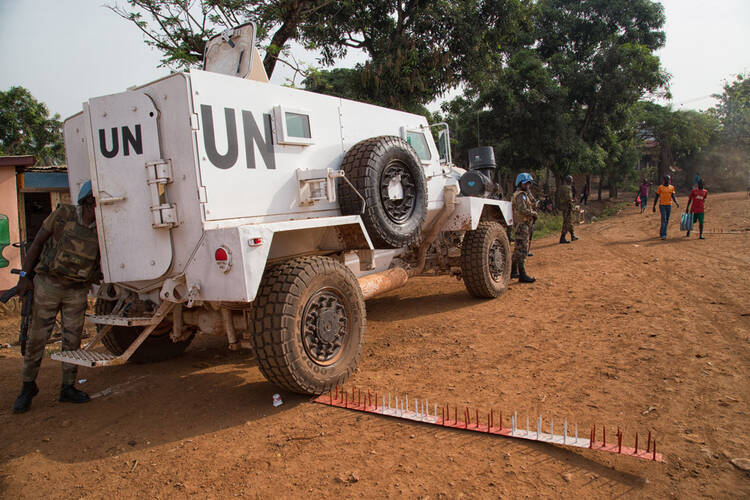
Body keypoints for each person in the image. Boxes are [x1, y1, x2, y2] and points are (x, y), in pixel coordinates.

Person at [13, 181, 100, 414]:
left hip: (76, 290)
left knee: (72, 340)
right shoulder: (63, 214)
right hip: (48, 285)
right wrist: (24, 277)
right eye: (95, 201)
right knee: (36, 339)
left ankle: (68, 387)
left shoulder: (101, 227)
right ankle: (28, 386)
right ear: (88, 201)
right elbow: (37, 244)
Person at [510, 173, 537, 283]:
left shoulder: (524, 194)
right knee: (522, 249)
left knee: (518, 248)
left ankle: (514, 271)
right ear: (520, 183)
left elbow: (533, 202)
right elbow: (522, 209)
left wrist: (529, 193)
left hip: (521, 224)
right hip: (522, 224)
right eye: (525, 183)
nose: (527, 185)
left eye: (528, 183)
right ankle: (522, 274)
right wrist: (533, 214)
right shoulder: (521, 195)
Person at [652, 175, 679, 240]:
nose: (667, 181)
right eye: (666, 179)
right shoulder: (660, 187)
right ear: (664, 180)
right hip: (662, 205)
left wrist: (676, 202)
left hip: (669, 205)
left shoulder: (671, 187)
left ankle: (662, 232)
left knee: (667, 220)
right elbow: (656, 197)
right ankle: (664, 234)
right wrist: (654, 206)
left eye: (668, 179)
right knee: (663, 219)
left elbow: (673, 196)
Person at [558, 175, 578, 244]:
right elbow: (568, 198)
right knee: (567, 222)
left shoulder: (562, 187)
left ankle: (572, 235)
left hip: (563, 207)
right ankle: (562, 237)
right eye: (572, 180)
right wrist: (572, 202)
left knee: (569, 221)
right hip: (567, 207)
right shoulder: (568, 188)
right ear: (570, 181)